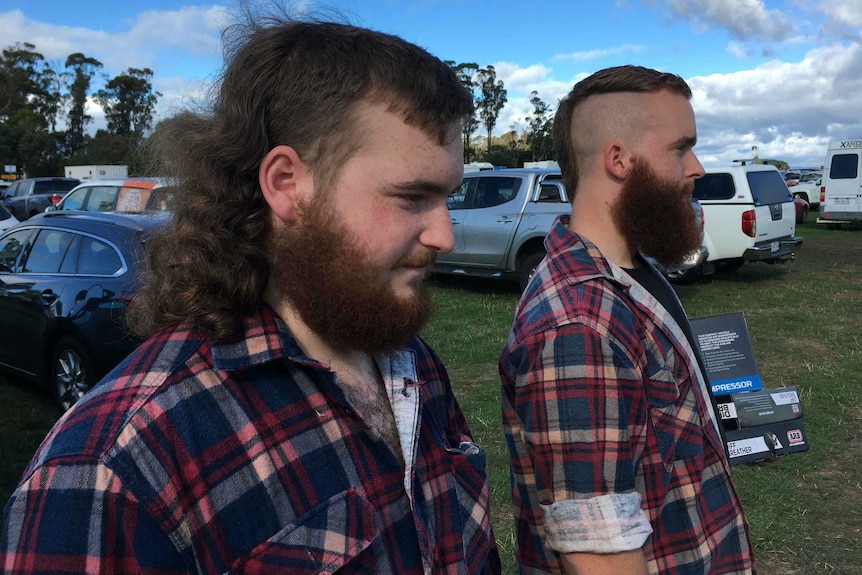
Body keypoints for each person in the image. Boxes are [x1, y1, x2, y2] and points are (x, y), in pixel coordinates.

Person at [1, 14, 500, 575]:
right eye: (412, 198)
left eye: (448, 198)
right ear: (287, 184)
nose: (445, 236)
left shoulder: (411, 365)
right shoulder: (112, 473)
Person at [499, 65, 756, 575]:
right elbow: (599, 555)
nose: (697, 167)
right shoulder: (579, 325)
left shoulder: (632, 270)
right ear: (619, 158)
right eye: (680, 148)